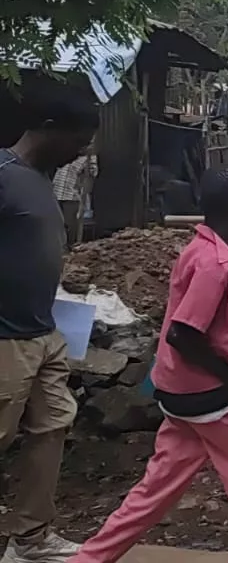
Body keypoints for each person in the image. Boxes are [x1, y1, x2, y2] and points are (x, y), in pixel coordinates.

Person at [71, 165, 228, 563]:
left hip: (177, 394)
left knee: (153, 492)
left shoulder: (197, 248)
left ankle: (87, 559)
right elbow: (184, 334)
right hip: (210, 400)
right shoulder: (217, 265)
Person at [1, 85, 98, 563]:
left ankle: (30, 538)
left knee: (52, 428)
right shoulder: (2, 174)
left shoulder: (41, 178)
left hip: (44, 333)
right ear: (50, 130)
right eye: (78, 142)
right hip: (5, 339)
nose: (81, 153)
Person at [50, 145, 95, 247]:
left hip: (70, 195)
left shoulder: (86, 159)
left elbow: (93, 172)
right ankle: (58, 246)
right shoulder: (67, 155)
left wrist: (90, 159)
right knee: (56, 222)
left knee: (69, 224)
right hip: (56, 193)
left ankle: (71, 246)